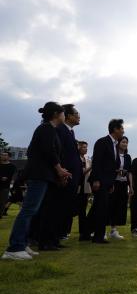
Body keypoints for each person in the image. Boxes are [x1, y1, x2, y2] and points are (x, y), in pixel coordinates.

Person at [2, 102, 71, 260]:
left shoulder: (49, 130)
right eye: (62, 113)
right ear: (55, 114)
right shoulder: (46, 128)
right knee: (28, 210)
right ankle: (14, 247)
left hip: (44, 175)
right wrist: (59, 169)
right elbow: (49, 151)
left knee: (33, 210)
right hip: (39, 175)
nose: (64, 116)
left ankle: (23, 243)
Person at [85, 119, 124, 244]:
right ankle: (98, 236)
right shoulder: (102, 142)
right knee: (102, 208)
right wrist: (96, 180)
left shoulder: (115, 145)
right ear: (115, 129)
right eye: (122, 129)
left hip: (108, 182)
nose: (123, 131)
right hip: (99, 180)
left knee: (97, 208)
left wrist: (111, 183)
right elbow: (97, 162)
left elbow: (112, 166)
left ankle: (85, 233)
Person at [55, 104, 83, 241]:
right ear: (69, 116)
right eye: (76, 113)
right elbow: (60, 154)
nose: (79, 116)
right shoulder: (60, 130)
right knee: (59, 206)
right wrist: (61, 173)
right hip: (64, 176)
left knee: (66, 207)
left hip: (72, 177)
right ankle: (54, 235)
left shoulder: (70, 132)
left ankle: (59, 234)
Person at [108, 136, 132, 240]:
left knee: (119, 207)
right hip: (113, 182)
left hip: (123, 184)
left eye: (126, 142)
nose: (125, 144)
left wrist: (131, 186)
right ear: (118, 143)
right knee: (110, 206)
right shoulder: (113, 154)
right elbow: (108, 168)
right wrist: (116, 171)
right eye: (123, 142)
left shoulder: (127, 157)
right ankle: (101, 230)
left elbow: (130, 172)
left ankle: (114, 230)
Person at [77, 141, 92, 240]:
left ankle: (83, 232)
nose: (85, 149)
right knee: (75, 210)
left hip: (84, 188)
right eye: (83, 147)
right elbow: (81, 172)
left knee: (83, 211)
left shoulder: (87, 159)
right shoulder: (76, 159)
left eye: (86, 147)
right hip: (77, 186)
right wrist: (91, 166)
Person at [0, 151, 16, 220]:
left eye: (5, 155)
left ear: (9, 157)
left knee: (2, 203)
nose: (3, 156)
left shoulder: (12, 167)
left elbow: (11, 176)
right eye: (2, 155)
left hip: (5, 187)